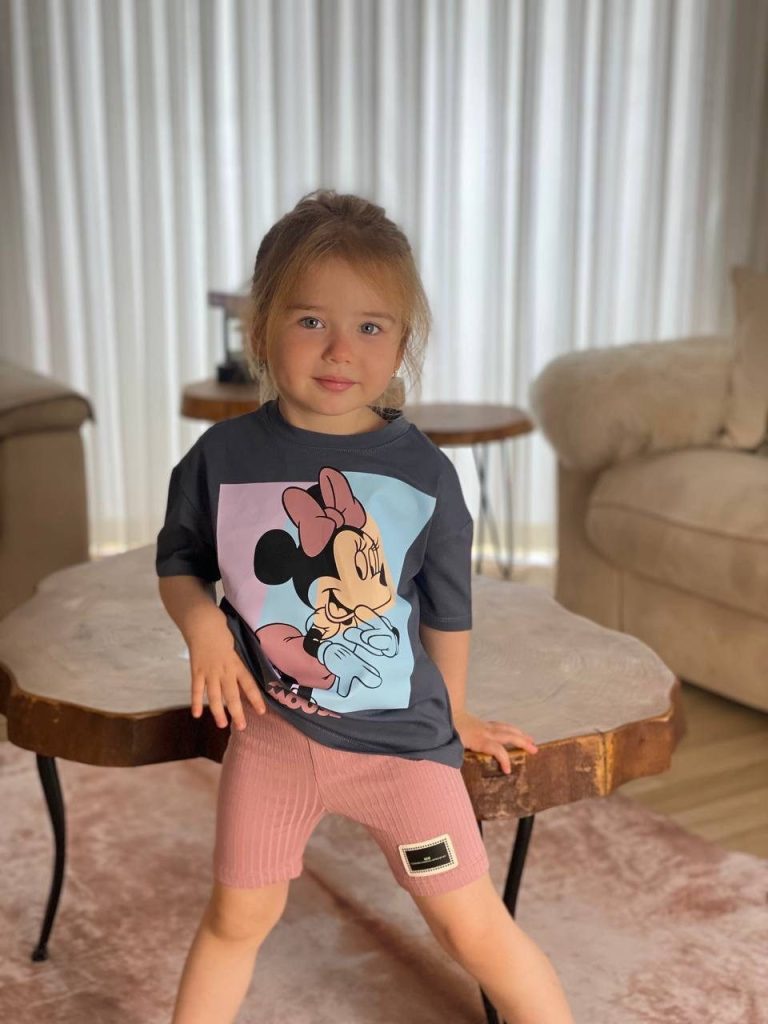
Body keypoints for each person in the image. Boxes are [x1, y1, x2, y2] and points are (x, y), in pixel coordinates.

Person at [156, 188, 575, 1024]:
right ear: (261, 329)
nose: (340, 349)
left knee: (470, 928)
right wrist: (203, 627)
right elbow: (179, 563)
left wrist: (457, 712)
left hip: (402, 750)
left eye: (371, 327)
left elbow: (447, 611)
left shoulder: (424, 474)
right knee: (237, 918)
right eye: (312, 320)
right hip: (272, 736)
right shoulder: (219, 458)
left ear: (402, 344)